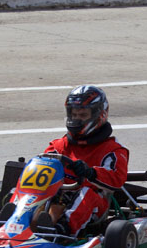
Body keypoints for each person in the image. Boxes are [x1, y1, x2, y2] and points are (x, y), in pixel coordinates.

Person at [42, 85, 130, 237]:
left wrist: (91, 173)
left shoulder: (113, 150)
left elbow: (117, 179)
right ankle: (19, 221)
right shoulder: (59, 146)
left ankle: (61, 231)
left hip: (93, 204)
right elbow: (42, 166)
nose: (76, 119)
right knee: (33, 189)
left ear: (99, 115)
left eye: (82, 115)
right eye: (74, 114)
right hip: (58, 196)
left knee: (86, 194)